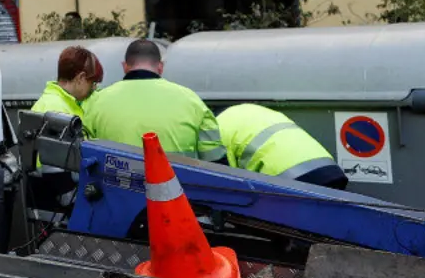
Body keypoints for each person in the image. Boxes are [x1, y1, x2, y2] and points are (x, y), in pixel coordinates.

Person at [82, 39, 226, 163]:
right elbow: (215, 160)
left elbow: (83, 158)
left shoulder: (96, 103)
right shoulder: (191, 101)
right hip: (178, 192)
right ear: (160, 67)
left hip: (118, 193)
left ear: (125, 66)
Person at [217, 104, 349, 189]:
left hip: (293, 181)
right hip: (330, 170)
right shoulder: (251, 110)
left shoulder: (217, 128)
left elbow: (228, 178)